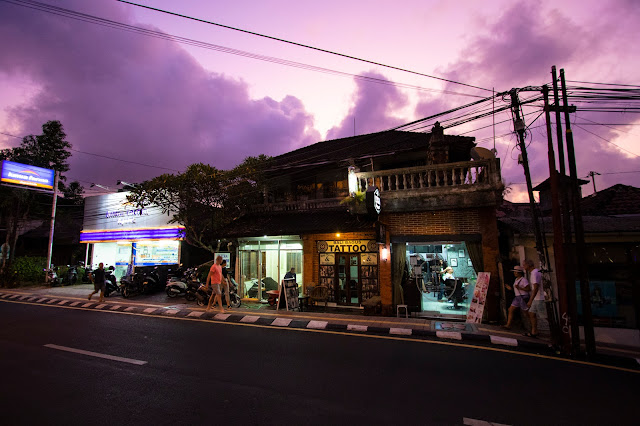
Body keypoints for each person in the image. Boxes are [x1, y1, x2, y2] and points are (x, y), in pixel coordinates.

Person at [503, 265, 530, 329]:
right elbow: (516, 289)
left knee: (526, 312)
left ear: (520, 273)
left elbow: (528, 289)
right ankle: (508, 324)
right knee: (510, 309)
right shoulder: (516, 279)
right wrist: (511, 289)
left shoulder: (524, 280)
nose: (515, 273)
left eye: (516, 272)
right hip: (517, 297)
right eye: (514, 272)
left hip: (522, 296)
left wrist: (520, 288)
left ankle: (531, 325)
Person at [524, 259, 545, 337]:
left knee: (544, 316)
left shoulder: (534, 273)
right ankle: (534, 331)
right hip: (536, 298)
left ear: (528, 265)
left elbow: (536, 287)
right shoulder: (534, 272)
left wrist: (530, 300)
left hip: (539, 298)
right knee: (531, 313)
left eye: (524, 265)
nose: (523, 267)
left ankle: (557, 331)